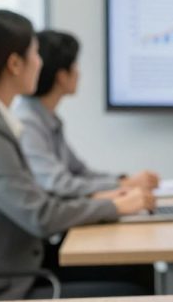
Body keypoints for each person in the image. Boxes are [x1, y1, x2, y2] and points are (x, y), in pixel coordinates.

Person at [0, 8, 155, 302]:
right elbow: (40, 215)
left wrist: (109, 201)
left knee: (135, 269)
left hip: (12, 269)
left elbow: (40, 198)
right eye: (35, 53)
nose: (40, 62)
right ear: (15, 64)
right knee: (134, 292)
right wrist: (114, 206)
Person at [14, 30, 159, 198]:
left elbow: (79, 172)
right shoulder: (27, 122)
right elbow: (58, 184)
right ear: (62, 76)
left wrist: (124, 180)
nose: (79, 73)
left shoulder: (47, 118)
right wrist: (124, 185)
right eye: (75, 66)